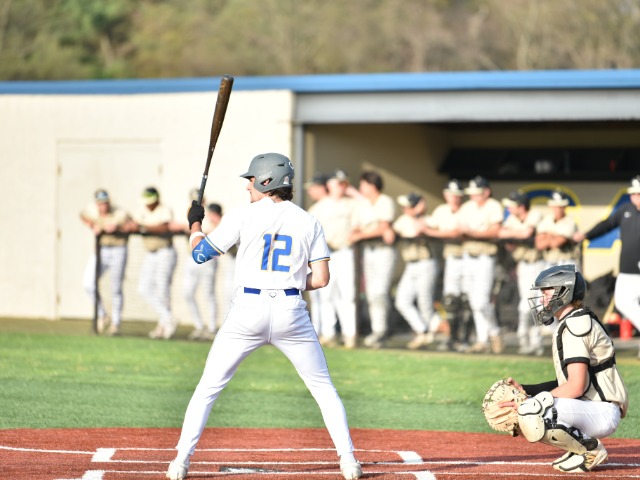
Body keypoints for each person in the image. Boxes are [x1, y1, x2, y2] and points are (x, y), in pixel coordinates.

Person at [166, 153, 362, 480]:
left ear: (267, 181)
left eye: (252, 180)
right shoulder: (309, 220)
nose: (248, 187)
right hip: (291, 311)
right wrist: (289, 281)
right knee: (323, 387)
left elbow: (200, 254)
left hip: (247, 310)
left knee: (208, 388)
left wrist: (195, 223)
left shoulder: (244, 215)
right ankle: (349, 461)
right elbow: (321, 279)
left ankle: (180, 462)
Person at [501, 264, 628, 473]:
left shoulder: (576, 325)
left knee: (531, 410)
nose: (542, 299)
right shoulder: (573, 320)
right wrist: (526, 390)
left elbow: (576, 387)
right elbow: (568, 382)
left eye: (546, 292)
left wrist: (533, 402)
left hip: (600, 411)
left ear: (563, 292)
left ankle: (590, 449)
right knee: (531, 405)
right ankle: (579, 447)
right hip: (593, 407)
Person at [574, 175, 640, 358]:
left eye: (639, 194)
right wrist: (586, 235)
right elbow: (606, 224)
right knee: (623, 303)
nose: (636, 197)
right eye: (634, 194)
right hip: (627, 271)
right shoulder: (626, 210)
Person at [309, 169, 359, 348]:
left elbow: (368, 207)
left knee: (347, 294)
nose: (340, 187)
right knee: (326, 295)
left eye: (343, 183)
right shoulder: (319, 207)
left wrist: (352, 191)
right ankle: (328, 333)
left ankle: (350, 334)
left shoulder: (351, 203)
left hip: (345, 251)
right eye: (338, 183)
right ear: (330, 185)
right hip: (325, 254)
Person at [422, 179, 472, 351]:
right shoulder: (441, 210)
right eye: (451, 195)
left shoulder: (468, 209)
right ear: (445, 195)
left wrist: (433, 232)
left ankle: (465, 338)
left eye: (457, 195)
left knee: (467, 299)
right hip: (451, 257)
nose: (454, 198)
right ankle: (452, 337)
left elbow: (456, 233)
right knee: (450, 299)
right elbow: (425, 226)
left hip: (468, 257)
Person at [349, 171, 396, 349]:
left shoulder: (385, 201)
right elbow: (355, 230)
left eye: (363, 184)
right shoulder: (362, 205)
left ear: (372, 185)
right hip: (369, 251)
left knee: (380, 292)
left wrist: (364, 233)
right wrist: (365, 232)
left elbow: (384, 227)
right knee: (371, 293)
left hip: (384, 250)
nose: (361, 187)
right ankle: (378, 330)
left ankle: (383, 330)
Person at [457, 176, 503, 354]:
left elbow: (495, 231)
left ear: (486, 192)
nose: (473, 196)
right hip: (468, 255)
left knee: (481, 301)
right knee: (472, 300)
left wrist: (473, 233)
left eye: (477, 193)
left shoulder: (493, 206)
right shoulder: (467, 207)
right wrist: (472, 233)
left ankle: (495, 332)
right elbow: (460, 230)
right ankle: (482, 339)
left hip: (485, 257)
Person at [80, 189, 135, 336]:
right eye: (100, 203)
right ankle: (102, 314)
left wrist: (119, 228)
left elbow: (133, 225)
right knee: (88, 283)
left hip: (118, 248)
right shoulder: (92, 211)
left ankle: (115, 323)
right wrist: (92, 225)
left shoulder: (119, 213)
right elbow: (83, 216)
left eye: (105, 203)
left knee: (115, 287)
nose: (103, 206)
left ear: (109, 202)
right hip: (101, 249)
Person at [498, 190, 545, 355]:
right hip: (523, 265)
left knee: (533, 305)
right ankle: (529, 341)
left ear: (521, 206)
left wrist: (514, 236)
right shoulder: (512, 219)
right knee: (528, 305)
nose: (509, 209)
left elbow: (527, 233)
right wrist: (517, 236)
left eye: (512, 205)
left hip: (539, 264)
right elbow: (501, 233)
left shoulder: (534, 214)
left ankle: (530, 340)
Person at [393, 192, 438, 349]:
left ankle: (429, 335)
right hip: (410, 264)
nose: (405, 208)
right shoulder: (403, 220)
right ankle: (422, 330)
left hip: (426, 263)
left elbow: (422, 230)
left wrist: (419, 213)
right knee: (401, 301)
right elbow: (393, 233)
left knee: (425, 301)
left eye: (409, 205)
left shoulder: (428, 219)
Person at [133, 186, 178, 340]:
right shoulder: (142, 210)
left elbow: (164, 227)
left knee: (162, 288)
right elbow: (133, 224)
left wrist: (144, 227)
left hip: (165, 251)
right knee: (143, 288)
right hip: (150, 253)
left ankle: (164, 325)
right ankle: (167, 317)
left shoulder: (164, 209)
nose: (148, 204)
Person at [178, 189, 223, 341]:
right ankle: (199, 326)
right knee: (187, 292)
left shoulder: (210, 215)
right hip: (190, 257)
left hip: (209, 258)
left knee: (208, 293)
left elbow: (216, 231)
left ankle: (212, 328)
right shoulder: (189, 213)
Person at [305, 172, 330, 340]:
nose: (310, 191)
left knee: (330, 296)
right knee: (317, 297)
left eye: (313, 187)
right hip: (317, 255)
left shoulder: (331, 204)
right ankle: (317, 330)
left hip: (335, 252)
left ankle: (329, 332)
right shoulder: (314, 209)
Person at [536, 190, 579, 268]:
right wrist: (554, 236)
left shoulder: (570, 221)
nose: (557, 209)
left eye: (560, 206)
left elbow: (556, 243)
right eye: (555, 206)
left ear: (565, 207)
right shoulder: (546, 220)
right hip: (549, 261)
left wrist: (548, 235)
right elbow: (539, 244)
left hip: (566, 262)